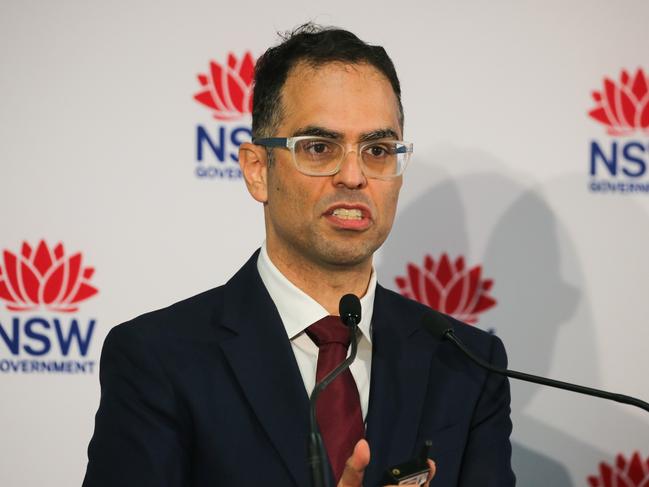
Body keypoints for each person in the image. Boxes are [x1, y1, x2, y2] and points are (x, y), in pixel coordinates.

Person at [83, 24, 515, 487]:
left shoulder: (467, 363)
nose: (353, 175)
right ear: (256, 170)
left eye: (377, 150)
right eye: (318, 148)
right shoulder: (159, 359)